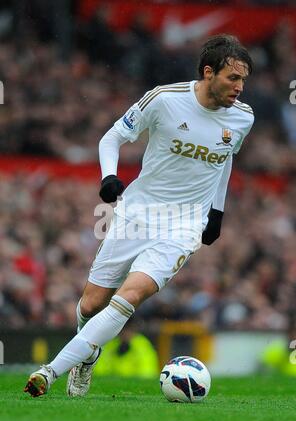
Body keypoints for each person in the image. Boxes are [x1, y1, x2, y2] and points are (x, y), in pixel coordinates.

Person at [24, 34, 254, 398]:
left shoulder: (242, 117)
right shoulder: (164, 99)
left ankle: (51, 371)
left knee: (130, 296)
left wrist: (217, 212)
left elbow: (224, 162)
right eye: (233, 78)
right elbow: (111, 138)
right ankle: (87, 356)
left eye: (244, 80)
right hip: (139, 213)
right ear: (208, 73)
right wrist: (108, 177)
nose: (240, 87)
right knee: (91, 304)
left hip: (184, 225)